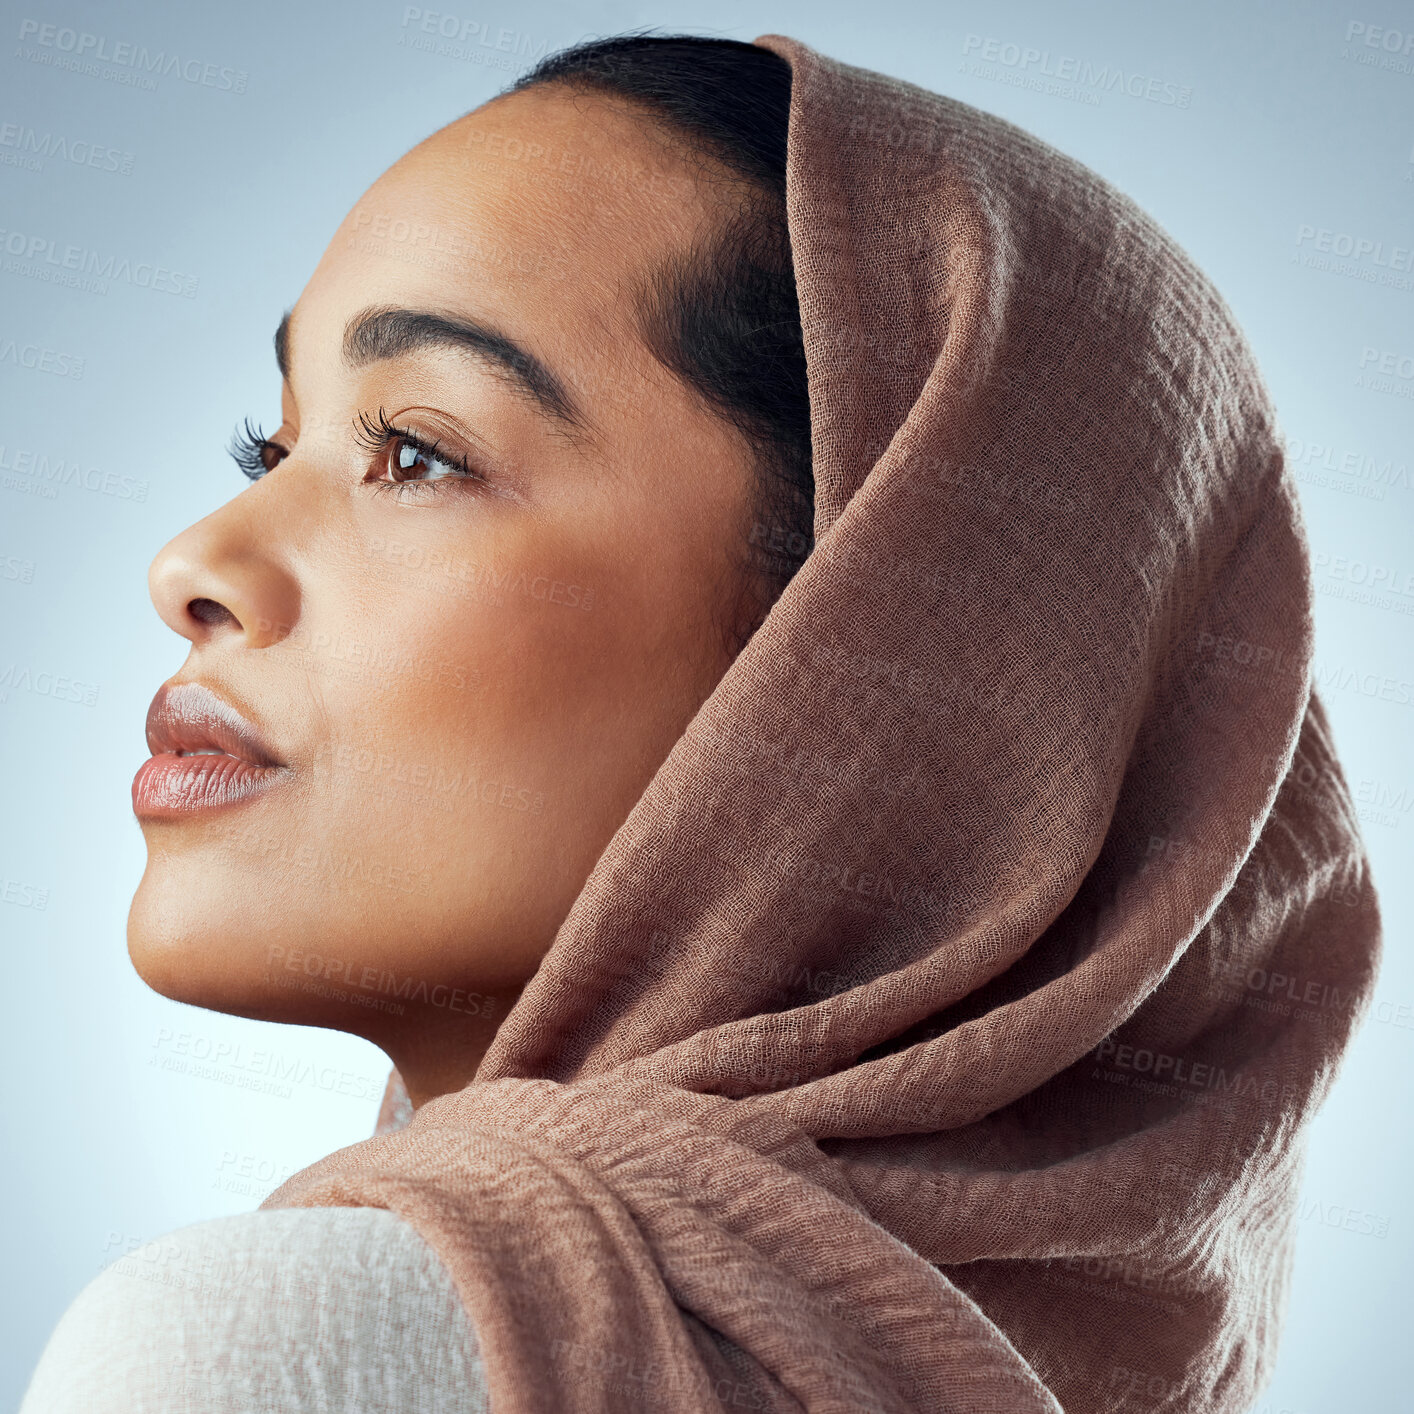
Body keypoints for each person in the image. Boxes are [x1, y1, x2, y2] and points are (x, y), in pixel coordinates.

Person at [20, 29, 1381, 1414]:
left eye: (416, 450)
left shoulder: (271, 1349)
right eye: (274, 444)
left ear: (858, 665)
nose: (191, 562)